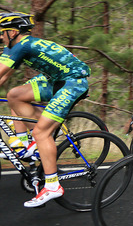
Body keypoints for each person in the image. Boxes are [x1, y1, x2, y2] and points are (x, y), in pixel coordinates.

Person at [0, 12, 91, 207]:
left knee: (42, 132)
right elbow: (4, 76)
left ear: (13, 32)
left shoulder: (22, 45)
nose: (0, 36)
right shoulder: (17, 45)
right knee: (15, 95)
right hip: (57, 79)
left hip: (72, 82)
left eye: (1, 32)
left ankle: (52, 185)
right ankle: (26, 144)